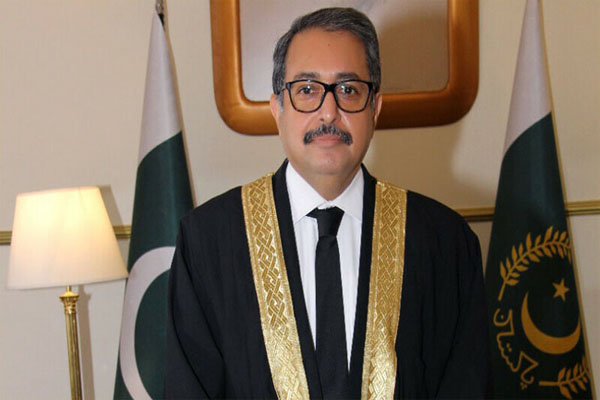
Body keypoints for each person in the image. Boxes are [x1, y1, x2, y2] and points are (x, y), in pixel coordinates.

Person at [165, 7, 489, 399]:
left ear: (375, 108)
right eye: (307, 90)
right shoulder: (209, 243)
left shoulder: (445, 244)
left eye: (349, 90)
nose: (329, 112)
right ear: (277, 108)